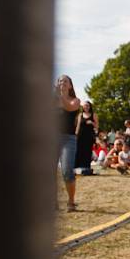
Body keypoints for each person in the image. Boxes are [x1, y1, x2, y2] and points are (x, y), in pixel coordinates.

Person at [55, 75, 80, 211]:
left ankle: (71, 201)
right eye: (59, 81)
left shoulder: (75, 100)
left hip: (68, 139)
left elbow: (70, 108)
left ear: (70, 85)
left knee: (66, 171)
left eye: (65, 81)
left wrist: (61, 95)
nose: (62, 83)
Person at [74, 100, 98, 176]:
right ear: (83, 107)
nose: (86, 107)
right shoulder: (80, 115)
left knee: (87, 152)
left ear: (90, 106)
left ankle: (86, 168)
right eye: (85, 105)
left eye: (87, 105)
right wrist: (75, 135)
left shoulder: (94, 115)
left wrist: (92, 123)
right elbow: (78, 126)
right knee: (78, 151)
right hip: (80, 136)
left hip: (89, 137)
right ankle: (76, 168)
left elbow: (97, 126)